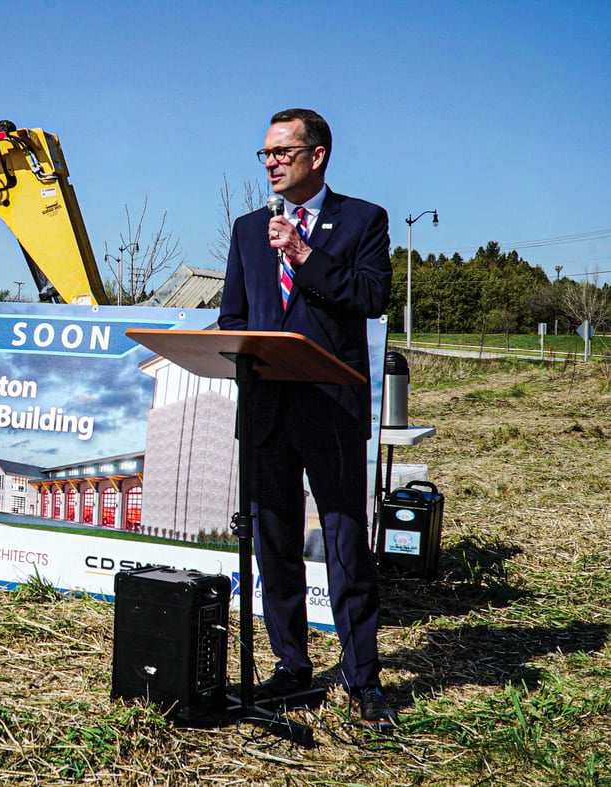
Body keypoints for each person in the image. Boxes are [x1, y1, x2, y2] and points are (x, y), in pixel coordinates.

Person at [218, 108, 397, 729]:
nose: (269, 162)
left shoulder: (363, 221)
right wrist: (244, 347)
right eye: (264, 153)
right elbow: (233, 317)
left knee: (346, 541)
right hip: (267, 407)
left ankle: (361, 678)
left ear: (316, 155)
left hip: (332, 407)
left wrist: (304, 252)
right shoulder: (246, 229)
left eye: (280, 151)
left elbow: (373, 297)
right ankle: (292, 666)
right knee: (275, 541)